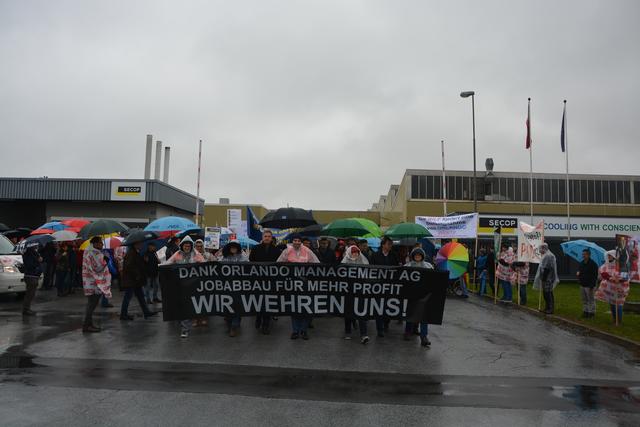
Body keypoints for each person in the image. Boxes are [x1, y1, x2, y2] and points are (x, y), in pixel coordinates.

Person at [277, 235, 320, 340]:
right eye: (295, 240)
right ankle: (295, 331)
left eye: (298, 241)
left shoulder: (307, 251)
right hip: (292, 284)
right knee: (294, 308)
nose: (296, 242)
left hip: (305, 284)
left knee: (306, 307)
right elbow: (278, 264)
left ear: (301, 242)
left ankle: (304, 330)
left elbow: (317, 264)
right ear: (292, 242)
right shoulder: (287, 251)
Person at [164, 236, 205, 338]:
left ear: (191, 246)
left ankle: (187, 326)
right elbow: (168, 263)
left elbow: (204, 265)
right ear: (182, 246)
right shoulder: (177, 254)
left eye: (189, 245)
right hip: (180, 286)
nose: (187, 247)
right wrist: (160, 267)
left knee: (190, 306)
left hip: (193, 286)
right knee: (182, 307)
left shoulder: (196, 255)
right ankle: (184, 327)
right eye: (185, 245)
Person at [249, 230, 282, 334]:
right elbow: (251, 263)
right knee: (259, 301)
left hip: (271, 281)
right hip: (258, 281)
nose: (267, 238)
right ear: (262, 237)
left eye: (269, 236)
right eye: (265, 236)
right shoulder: (255, 249)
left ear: (271, 238)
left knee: (268, 302)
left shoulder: (277, 251)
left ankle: (266, 324)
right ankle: (258, 317)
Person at [370, 236, 400, 337]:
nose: (390, 246)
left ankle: (386, 323)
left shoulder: (394, 255)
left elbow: (397, 269)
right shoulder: (375, 255)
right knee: (379, 306)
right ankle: (380, 329)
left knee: (388, 306)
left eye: (391, 244)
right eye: (388, 244)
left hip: (390, 285)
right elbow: (371, 269)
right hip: (378, 285)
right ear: (383, 245)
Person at [404, 247, 434, 347]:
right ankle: (408, 332)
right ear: (413, 256)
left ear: (422, 256)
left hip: (423, 296)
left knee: (424, 316)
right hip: (411, 295)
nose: (417, 256)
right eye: (416, 255)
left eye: (419, 255)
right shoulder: (407, 266)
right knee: (410, 313)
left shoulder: (429, 266)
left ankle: (424, 336)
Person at [82, 237, 112, 333]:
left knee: (91, 304)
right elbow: (98, 268)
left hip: (89, 282)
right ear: (95, 243)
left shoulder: (88, 251)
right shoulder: (94, 253)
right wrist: (106, 260)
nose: (102, 245)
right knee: (92, 305)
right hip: (94, 283)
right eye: (100, 243)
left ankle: (89, 325)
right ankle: (87, 326)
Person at [120, 241, 157, 321]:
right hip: (131, 280)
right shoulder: (131, 253)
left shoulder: (135, 252)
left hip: (135, 280)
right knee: (128, 297)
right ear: (135, 244)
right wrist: (137, 274)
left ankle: (146, 311)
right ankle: (123, 314)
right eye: (140, 244)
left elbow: (138, 264)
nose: (141, 245)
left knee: (140, 296)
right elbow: (129, 266)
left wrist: (144, 261)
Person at [341, 245, 370, 344]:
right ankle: (348, 332)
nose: (355, 254)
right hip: (348, 292)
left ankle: (364, 334)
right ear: (349, 253)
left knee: (361, 312)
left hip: (360, 292)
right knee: (348, 312)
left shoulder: (363, 262)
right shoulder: (344, 263)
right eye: (353, 252)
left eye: (357, 252)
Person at [221, 240, 248, 336]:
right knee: (228, 306)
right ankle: (230, 324)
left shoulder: (243, 257)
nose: (233, 249)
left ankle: (234, 325)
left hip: (239, 286)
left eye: (235, 247)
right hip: (227, 286)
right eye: (231, 247)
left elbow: (248, 268)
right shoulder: (224, 258)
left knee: (237, 305)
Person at [596, 250, 630, 325]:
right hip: (610, 289)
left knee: (618, 304)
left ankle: (619, 321)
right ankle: (615, 319)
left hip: (619, 288)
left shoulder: (622, 266)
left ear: (614, 256)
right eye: (608, 256)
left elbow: (625, 277)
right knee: (612, 304)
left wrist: (619, 279)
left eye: (610, 256)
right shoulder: (606, 265)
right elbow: (602, 273)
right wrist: (609, 277)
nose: (608, 257)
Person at [533, 243, 559, 314]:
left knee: (548, 293)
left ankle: (550, 308)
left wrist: (544, 278)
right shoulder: (546, 255)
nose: (539, 250)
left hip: (548, 278)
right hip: (546, 277)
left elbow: (547, 268)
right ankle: (547, 307)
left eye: (540, 249)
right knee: (546, 293)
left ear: (544, 248)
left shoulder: (548, 256)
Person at [577, 249, 599, 318]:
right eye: (583, 254)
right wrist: (578, 274)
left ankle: (591, 313)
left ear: (589, 255)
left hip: (590, 285)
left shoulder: (593, 264)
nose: (583, 255)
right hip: (582, 284)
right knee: (584, 299)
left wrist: (592, 285)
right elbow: (580, 271)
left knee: (591, 299)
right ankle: (585, 311)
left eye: (585, 254)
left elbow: (595, 276)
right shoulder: (581, 263)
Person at [21, 246, 43, 316]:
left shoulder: (34, 253)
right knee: (30, 293)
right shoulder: (28, 255)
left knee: (31, 293)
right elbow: (30, 265)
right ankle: (26, 309)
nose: (36, 246)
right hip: (31, 275)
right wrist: (38, 260)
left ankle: (27, 308)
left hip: (34, 275)